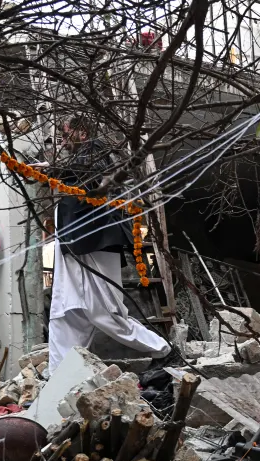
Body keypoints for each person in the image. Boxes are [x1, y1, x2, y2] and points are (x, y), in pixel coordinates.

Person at [48, 121, 170, 373]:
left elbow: (87, 176)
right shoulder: (79, 160)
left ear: (83, 131)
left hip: (94, 241)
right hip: (75, 244)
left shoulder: (94, 149)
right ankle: (58, 375)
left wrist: (52, 169)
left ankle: (163, 350)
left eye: (65, 133)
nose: (61, 140)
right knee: (66, 310)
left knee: (104, 311)